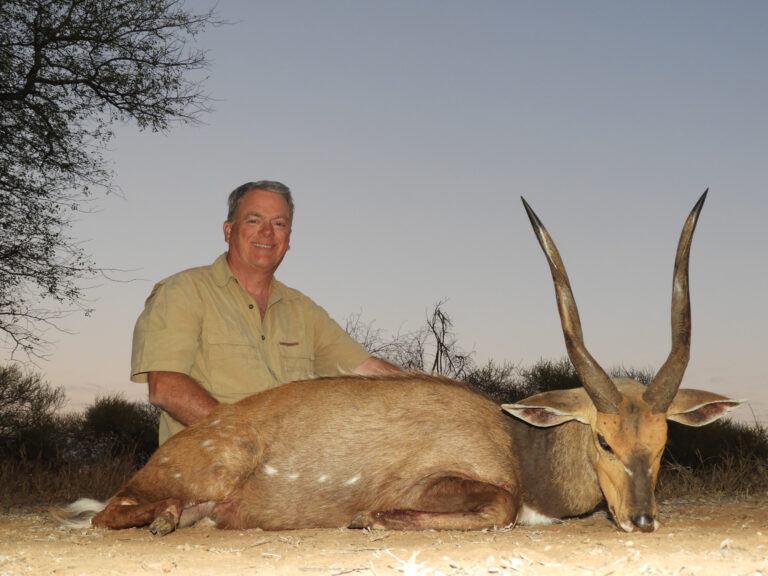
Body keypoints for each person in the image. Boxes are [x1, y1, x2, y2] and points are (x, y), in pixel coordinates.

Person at [131, 181, 400, 444]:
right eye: (254, 220)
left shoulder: (303, 309)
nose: (267, 232)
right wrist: (251, 442)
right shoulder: (184, 290)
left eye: (279, 223)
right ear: (228, 230)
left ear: (288, 238)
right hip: (209, 469)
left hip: (288, 469)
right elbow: (165, 388)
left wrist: (426, 396)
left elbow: (371, 371)